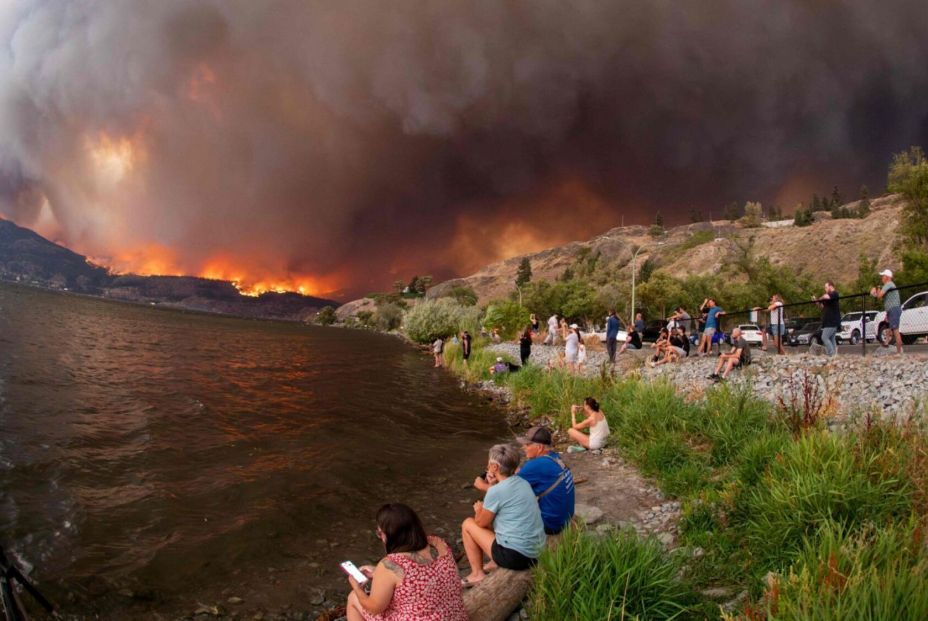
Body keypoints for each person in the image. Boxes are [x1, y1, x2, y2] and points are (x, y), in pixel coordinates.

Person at [345, 503, 467, 621]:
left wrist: (357, 587)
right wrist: (378, 573)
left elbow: (374, 608)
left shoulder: (391, 564)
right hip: (455, 616)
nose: (381, 538)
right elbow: (424, 576)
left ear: (389, 534)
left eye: (380, 533)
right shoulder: (438, 544)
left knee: (353, 598)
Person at [461, 444, 546, 587]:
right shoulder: (523, 482)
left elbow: (481, 523)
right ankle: (494, 562)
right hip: (536, 552)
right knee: (502, 519)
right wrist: (492, 485)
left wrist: (479, 510)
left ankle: (477, 574)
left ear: (494, 467)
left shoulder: (496, 491)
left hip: (518, 557)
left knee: (468, 524)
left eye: (489, 464)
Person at [516, 427, 575, 535]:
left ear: (539, 447)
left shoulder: (536, 465)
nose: (523, 447)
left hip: (551, 525)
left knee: (508, 506)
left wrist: (484, 486)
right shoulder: (554, 457)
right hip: (565, 518)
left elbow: (508, 489)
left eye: (527, 445)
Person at [872, 269, 903, 354]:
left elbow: (879, 296)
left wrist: (875, 292)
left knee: (895, 330)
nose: (882, 277)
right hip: (892, 309)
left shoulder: (888, 284)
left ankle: (899, 352)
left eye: (883, 276)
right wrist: (876, 293)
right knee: (890, 327)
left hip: (893, 309)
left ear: (887, 277)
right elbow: (880, 296)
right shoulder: (889, 285)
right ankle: (886, 343)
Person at [815, 281, 840, 356]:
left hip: (832, 321)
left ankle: (831, 354)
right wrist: (816, 301)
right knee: (832, 339)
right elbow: (822, 307)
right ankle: (835, 355)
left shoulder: (834, 293)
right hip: (828, 321)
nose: (825, 289)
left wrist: (821, 298)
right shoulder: (828, 297)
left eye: (826, 287)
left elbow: (827, 297)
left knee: (824, 337)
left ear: (831, 286)